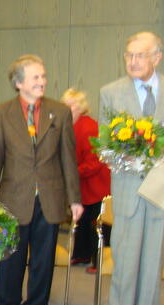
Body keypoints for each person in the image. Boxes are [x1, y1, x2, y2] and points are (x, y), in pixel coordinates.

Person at [0, 54, 82, 305]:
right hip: (14, 198)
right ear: (18, 83)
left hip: (50, 198)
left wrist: (74, 198)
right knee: (11, 258)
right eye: (36, 77)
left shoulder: (59, 112)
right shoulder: (0, 114)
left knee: (44, 259)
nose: (43, 82)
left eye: (44, 76)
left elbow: (68, 159)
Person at [99, 31, 164, 305]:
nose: (133, 61)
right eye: (129, 55)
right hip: (126, 188)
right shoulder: (110, 92)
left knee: (153, 260)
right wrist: (129, 161)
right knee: (124, 258)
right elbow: (104, 146)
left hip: (160, 191)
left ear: (157, 57)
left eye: (140, 55)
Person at [61, 88, 111, 271]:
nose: (65, 108)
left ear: (80, 107)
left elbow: (95, 162)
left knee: (96, 225)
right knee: (81, 221)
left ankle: (99, 262)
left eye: (70, 105)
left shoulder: (89, 127)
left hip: (96, 184)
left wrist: (71, 173)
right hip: (81, 183)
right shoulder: (71, 125)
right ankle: (81, 255)